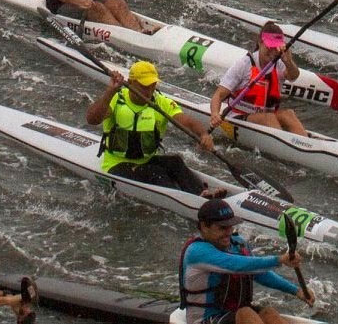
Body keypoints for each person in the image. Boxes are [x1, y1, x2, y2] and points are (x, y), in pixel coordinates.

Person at [87, 59, 216, 192]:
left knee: (175, 162)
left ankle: (201, 192)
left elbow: (187, 121)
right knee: (155, 172)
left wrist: (204, 134)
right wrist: (109, 92)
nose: (149, 91)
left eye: (152, 85)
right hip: (117, 163)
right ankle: (184, 199)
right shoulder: (116, 99)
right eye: (144, 86)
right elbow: (92, 119)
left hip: (146, 160)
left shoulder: (161, 102)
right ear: (131, 83)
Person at [179, 198, 314, 324]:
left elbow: (258, 273)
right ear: (204, 226)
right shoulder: (197, 252)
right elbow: (236, 266)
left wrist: (296, 291)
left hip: (232, 313)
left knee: (269, 313)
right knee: (246, 313)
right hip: (205, 319)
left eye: (230, 227)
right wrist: (279, 260)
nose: (228, 232)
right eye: (222, 228)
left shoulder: (238, 244)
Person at [208, 22, 308, 136]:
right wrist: (215, 114)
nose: (273, 52)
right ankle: (285, 146)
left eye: (276, 48)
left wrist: (289, 61)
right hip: (238, 117)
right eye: (269, 47)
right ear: (260, 42)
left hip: (265, 118)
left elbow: (293, 76)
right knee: (268, 118)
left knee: (288, 114)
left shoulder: (279, 63)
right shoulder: (244, 64)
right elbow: (219, 95)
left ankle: (305, 144)